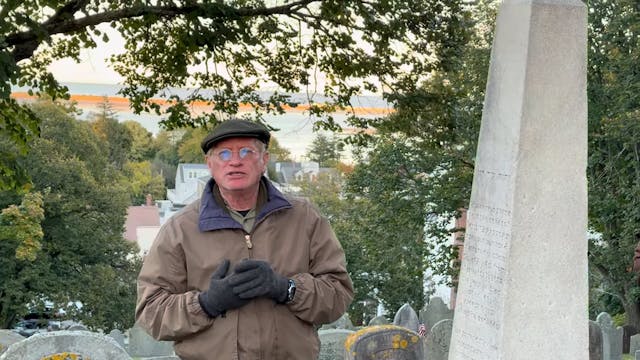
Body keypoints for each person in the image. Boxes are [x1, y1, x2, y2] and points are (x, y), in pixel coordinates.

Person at [136, 119, 354, 359]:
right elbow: (151, 312)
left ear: (264, 160)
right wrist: (206, 304)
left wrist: (287, 289)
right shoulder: (181, 229)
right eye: (224, 153)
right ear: (210, 164)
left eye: (246, 152)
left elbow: (338, 294)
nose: (235, 161)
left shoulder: (304, 219)